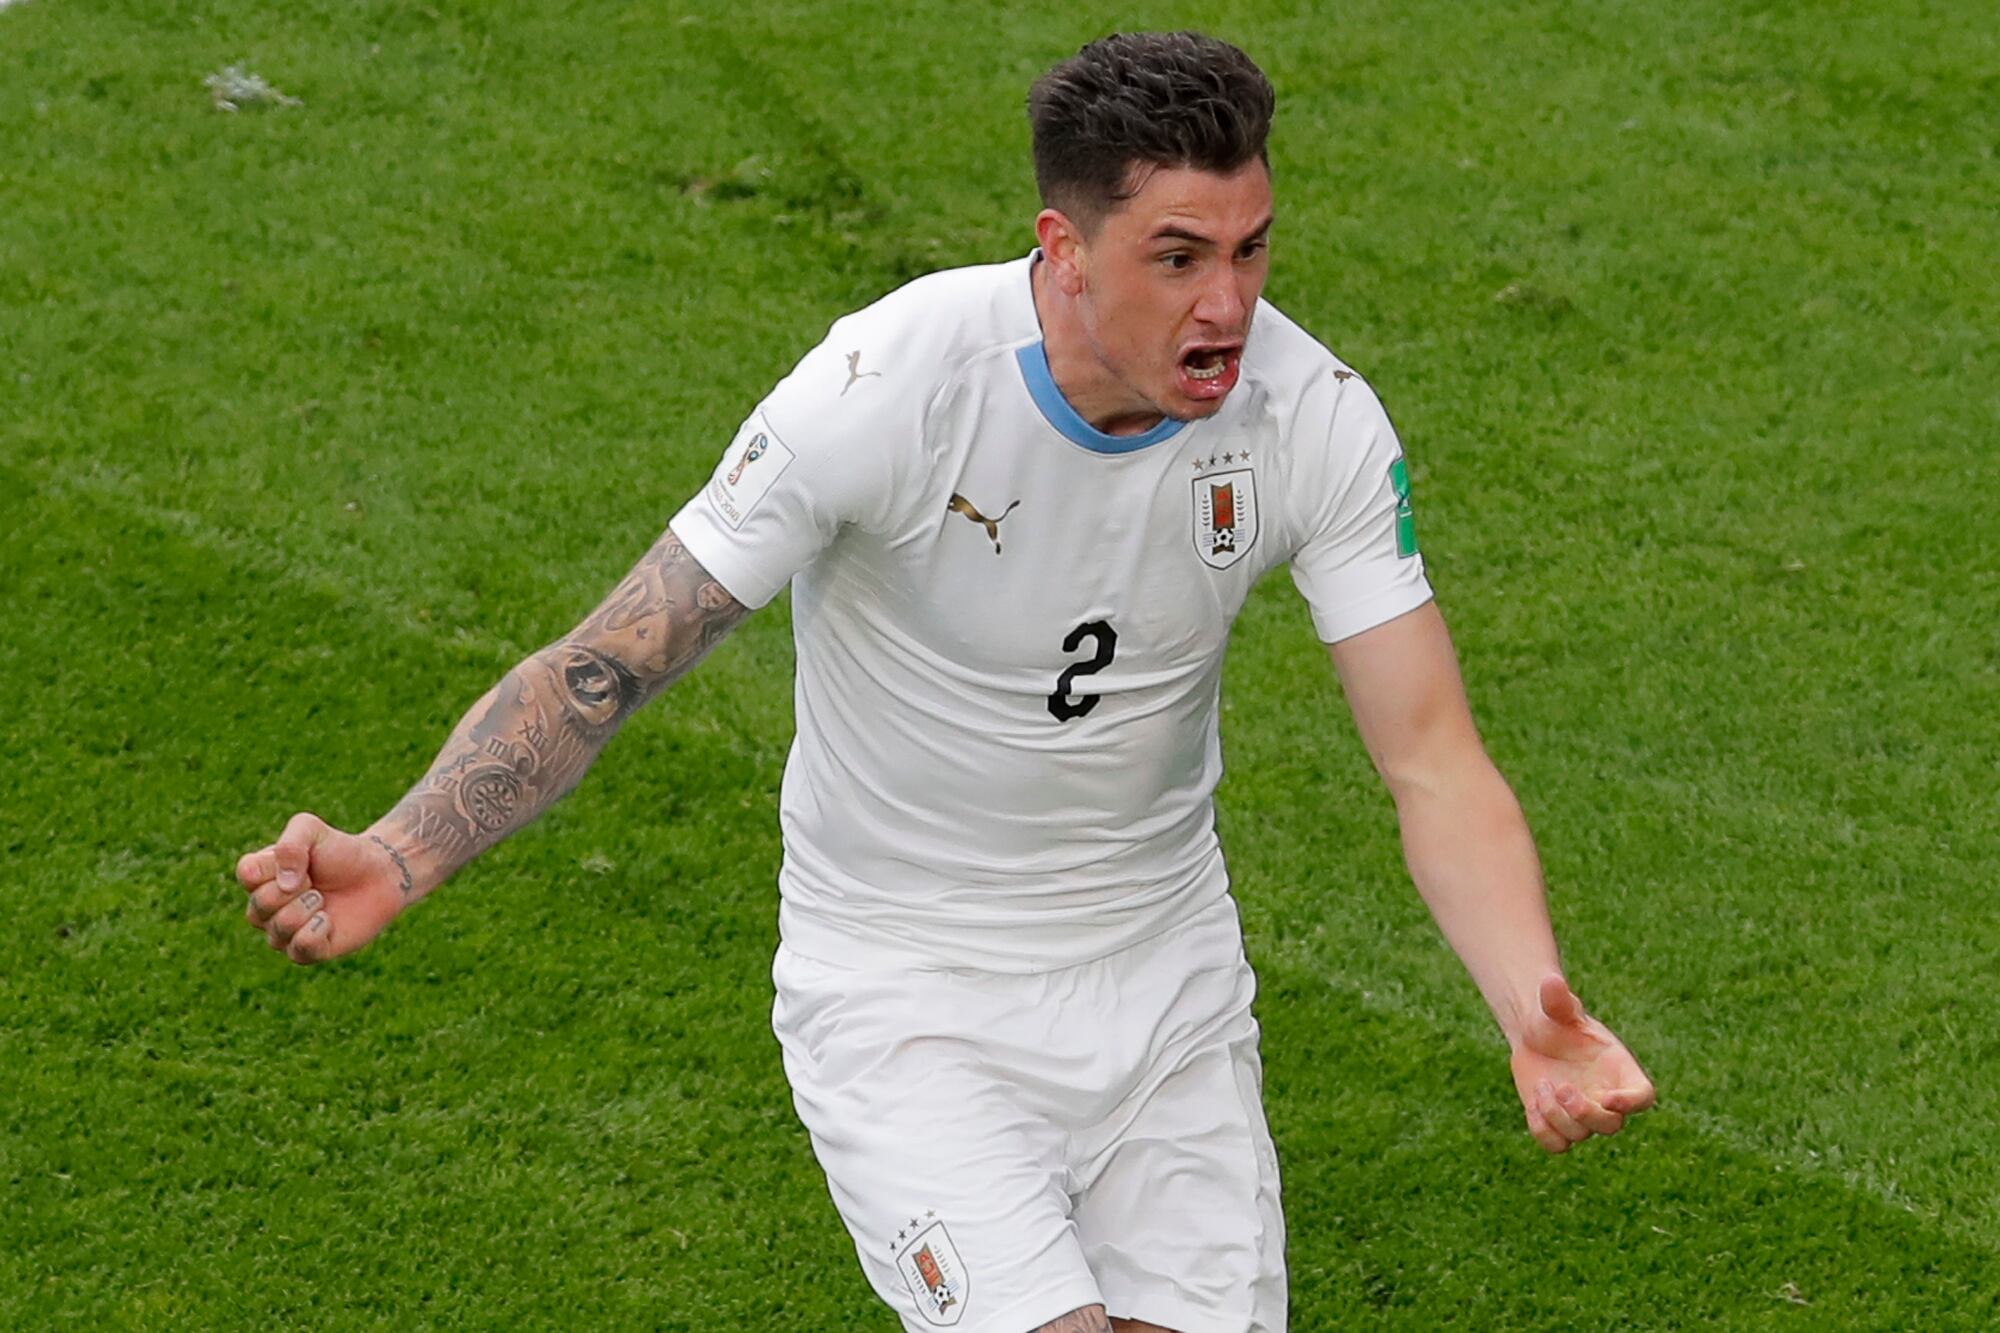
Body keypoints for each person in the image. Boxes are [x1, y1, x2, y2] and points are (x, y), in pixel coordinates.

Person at [236, 31, 1654, 1333]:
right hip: (906, 992)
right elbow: (608, 663)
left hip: (1166, 986)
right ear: (1064, 247)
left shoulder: (1312, 419)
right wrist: (401, 851)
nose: (1227, 303)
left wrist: (1528, 1004)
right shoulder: (888, 390)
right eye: (1176, 257)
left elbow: (1431, 757)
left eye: (1251, 248)